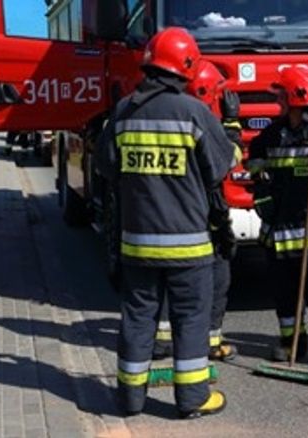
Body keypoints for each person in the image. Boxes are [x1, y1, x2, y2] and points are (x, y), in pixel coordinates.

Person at [97, 27, 232, 419]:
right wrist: (234, 135)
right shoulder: (193, 113)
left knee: (138, 319)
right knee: (190, 320)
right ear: (187, 66)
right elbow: (218, 169)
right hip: (189, 248)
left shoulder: (122, 113)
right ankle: (192, 399)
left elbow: (105, 167)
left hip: (136, 245)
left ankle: (129, 400)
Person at [245, 66, 308, 374]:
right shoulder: (272, 135)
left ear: (292, 99)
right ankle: (292, 342)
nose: (278, 103)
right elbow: (255, 167)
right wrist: (262, 197)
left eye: (280, 97)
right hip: (277, 230)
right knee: (284, 292)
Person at [153, 60, 243, 363]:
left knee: (166, 280)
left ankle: (164, 340)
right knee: (217, 277)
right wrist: (232, 125)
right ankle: (209, 342)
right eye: (218, 92)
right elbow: (225, 163)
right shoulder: (201, 120)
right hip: (203, 216)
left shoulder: (170, 119)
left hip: (168, 217)